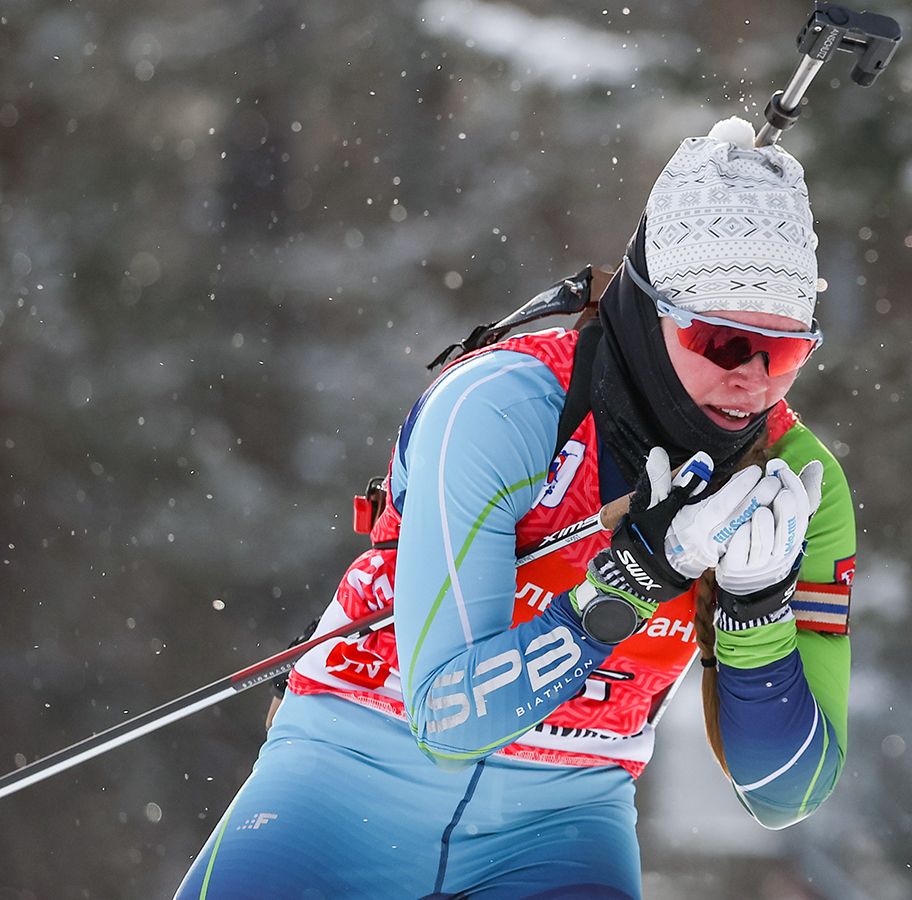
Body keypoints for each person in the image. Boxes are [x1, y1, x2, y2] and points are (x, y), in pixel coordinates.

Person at [176, 116, 857, 900]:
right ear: (648, 306)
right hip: (347, 781)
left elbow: (784, 795)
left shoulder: (798, 482)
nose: (755, 381)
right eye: (722, 342)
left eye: (785, 350)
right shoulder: (502, 406)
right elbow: (448, 721)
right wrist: (636, 575)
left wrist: (753, 609)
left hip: (561, 828)